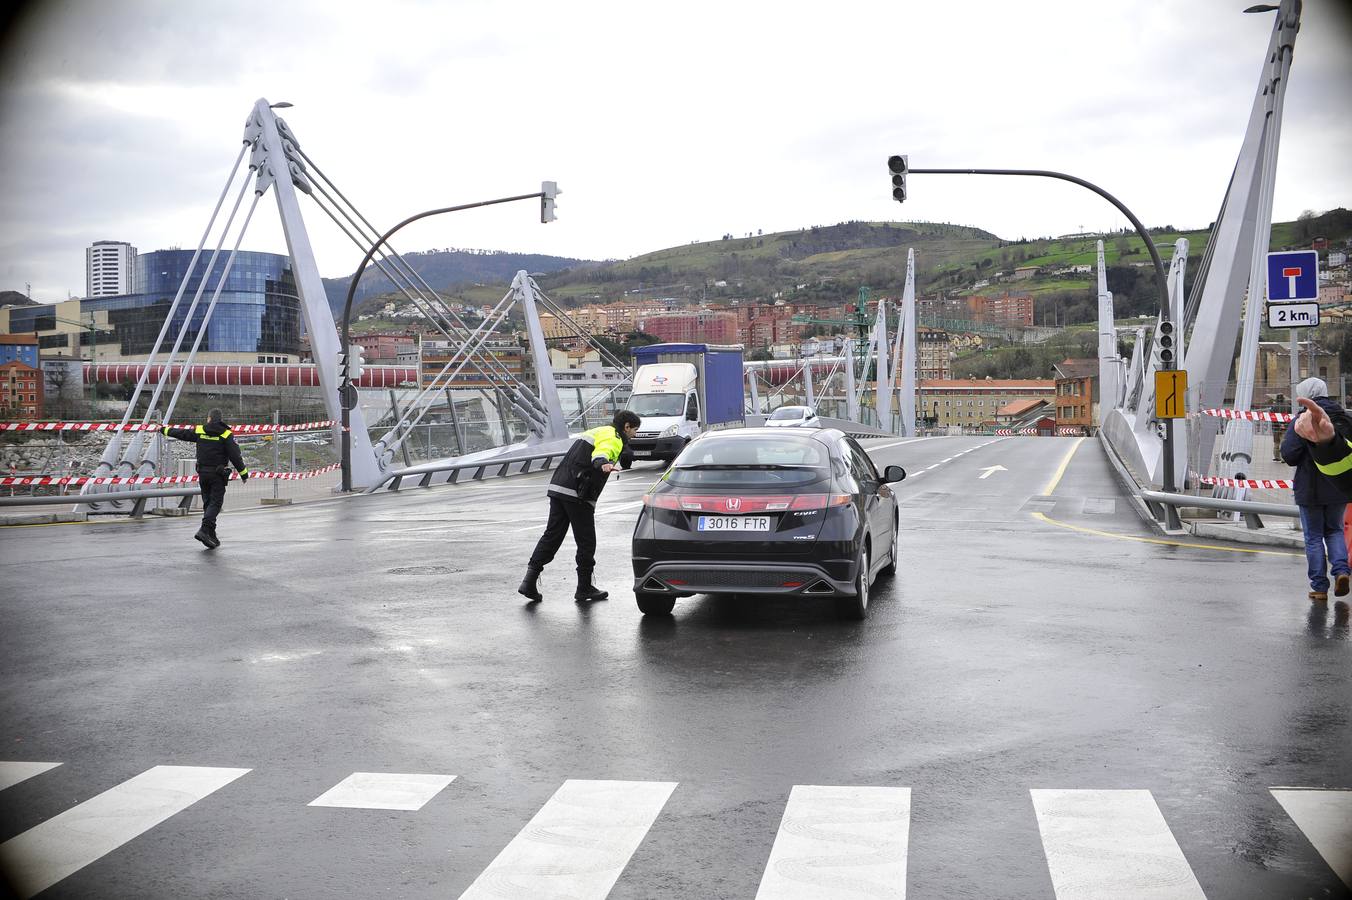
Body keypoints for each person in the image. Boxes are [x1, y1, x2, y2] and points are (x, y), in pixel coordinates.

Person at [518, 410, 641, 602]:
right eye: (634, 430)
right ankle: (584, 588)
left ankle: (529, 581)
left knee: (552, 536)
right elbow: (602, 453)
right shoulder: (614, 437)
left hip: (559, 487)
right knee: (586, 541)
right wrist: (603, 463)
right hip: (578, 493)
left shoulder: (598, 431)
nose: (634, 434)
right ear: (626, 427)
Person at [1281, 379, 1350, 603]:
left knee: (1313, 537)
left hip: (1310, 488)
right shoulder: (1344, 418)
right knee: (1335, 530)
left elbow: (1289, 455)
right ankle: (1342, 571)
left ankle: (1319, 587)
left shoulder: (1302, 420)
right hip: (1340, 487)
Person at [160, 409, 249, 548]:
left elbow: (182, 433)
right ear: (220, 419)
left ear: (209, 418)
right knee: (215, 504)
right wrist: (244, 474)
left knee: (208, 504)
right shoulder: (226, 434)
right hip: (217, 475)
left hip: (203, 474)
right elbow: (235, 455)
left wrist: (164, 430)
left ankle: (211, 534)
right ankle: (204, 530)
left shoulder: (201, 430)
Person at [1271, 393, 1288, 461]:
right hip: (1285, 427)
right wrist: (1284, 424)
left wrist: (1278, 424)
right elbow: (1290, 417)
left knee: (1276, 443)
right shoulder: (1288, 406)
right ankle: (1283, 458)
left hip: (1276, 428)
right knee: (1283, 442)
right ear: (1283, 398)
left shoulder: (1273, 407)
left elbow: (1272, 418)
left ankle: (1276, 457)